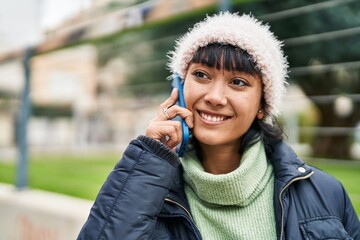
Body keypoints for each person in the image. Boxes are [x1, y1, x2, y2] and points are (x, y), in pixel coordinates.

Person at [77, 12, 360, 239]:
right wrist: (150, 160)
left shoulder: (326, 193)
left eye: (238, 82)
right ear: (179, 85)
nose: (214, 97)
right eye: (201, 74)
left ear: (263, 105)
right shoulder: (147, 190)